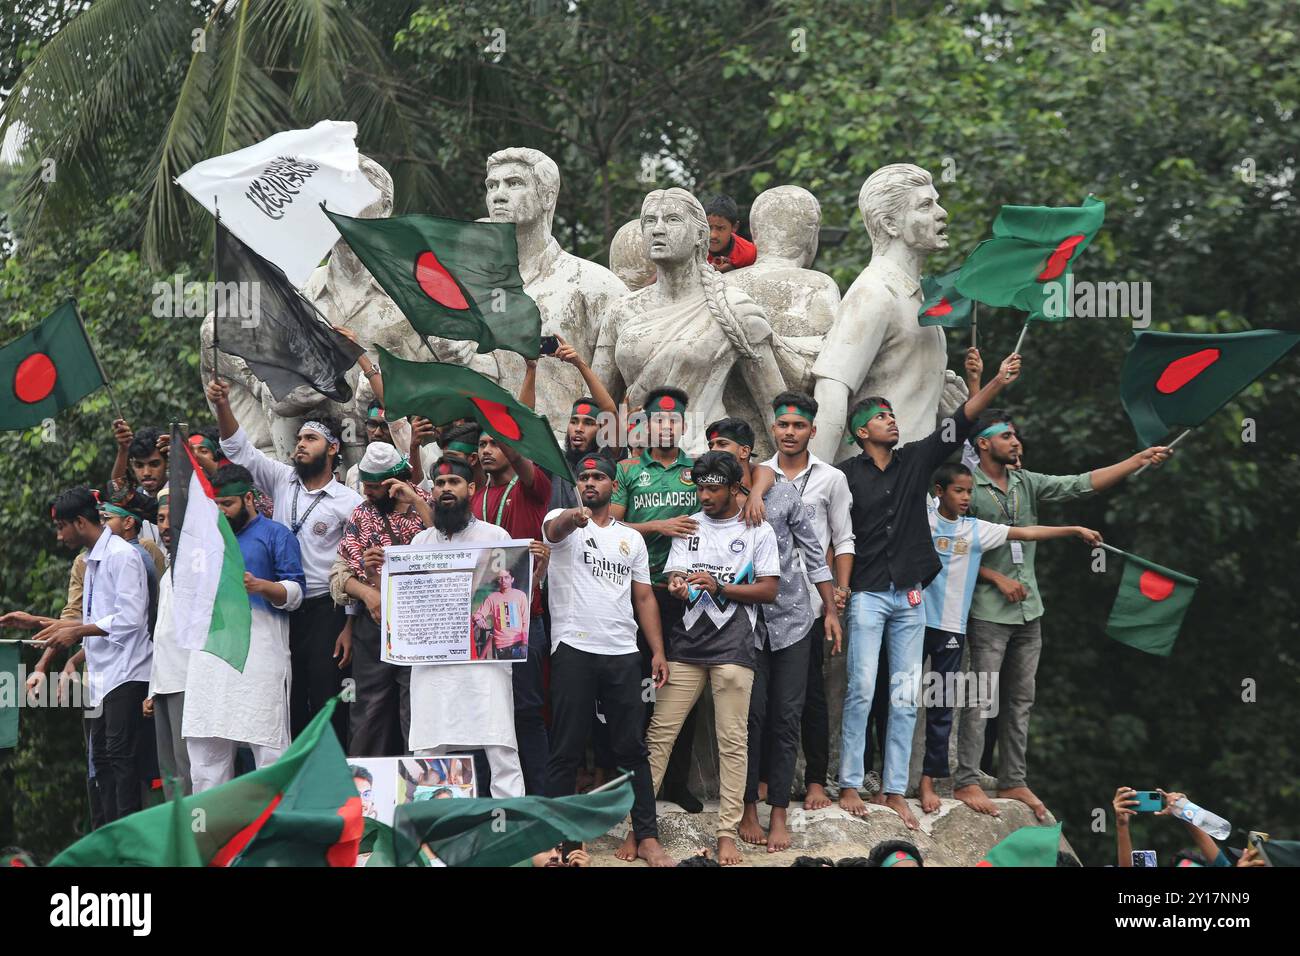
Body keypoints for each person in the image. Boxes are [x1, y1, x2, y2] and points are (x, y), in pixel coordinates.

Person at [953, 411, 1173, 821]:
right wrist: (994, 576)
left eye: (1016, 435)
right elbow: (951, 544)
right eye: (1005, 435)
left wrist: (1137, 459)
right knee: (981, 697)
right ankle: (966, 778)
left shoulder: (1025, 482)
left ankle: (1013, 778)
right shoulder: (968, 488)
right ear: (983, 444)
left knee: (1021, 699)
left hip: (1029, 610)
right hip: (986, 611)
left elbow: (1081, 484)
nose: (1015, 441)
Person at [836, 350, 1023, 829]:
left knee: (904, 695)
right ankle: (852, 784)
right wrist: (836, 592)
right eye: (880, 418)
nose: (891, 422)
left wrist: (997, 382)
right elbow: (836, 537)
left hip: (911, 595)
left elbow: (960, 421)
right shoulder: (845, 476)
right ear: (861, 432)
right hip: (868, 594)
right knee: (861, 688)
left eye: (892, 415)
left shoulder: (915, 461)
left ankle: (896, 789)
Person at [918, 463, 1100, 813]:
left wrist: (1073, 529)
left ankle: (936, 781)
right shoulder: (923, 516)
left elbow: (1028, 533)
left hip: (953, 626)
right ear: (939, 491)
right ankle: (893, 782)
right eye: (959, 490)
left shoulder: (975, 528)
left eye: (970, 491)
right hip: (913, 621)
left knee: (941, 704)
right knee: (903, 696)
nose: (967, 497)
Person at [704, 418, 841, 853]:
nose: (717, 450)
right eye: (711, 445)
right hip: (743, 626)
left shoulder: (782, 496)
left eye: (724, 444)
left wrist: (831, 611)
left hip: (793, 622)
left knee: (786, 717)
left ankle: (778, 812)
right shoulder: (715, 500)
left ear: (745, 452)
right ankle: (747, 809)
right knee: (751, 718)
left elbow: (814, 556)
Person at [207, 377, 362, 746]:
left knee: (329, 699)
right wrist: (223, 405)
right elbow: (239, 449)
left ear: (333, 448)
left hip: (328, 611)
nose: (300, 447)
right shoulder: (281, 479)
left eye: (311, 440)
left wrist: (349, 626)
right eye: (299, 440)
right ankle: (292, 784)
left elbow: (353, 564)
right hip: (280, 607)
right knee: (287, 697)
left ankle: (334, 784)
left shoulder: (348, 501)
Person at [541, 453, 675, 867]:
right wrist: (572, 519)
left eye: (599, 477)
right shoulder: (564, 522)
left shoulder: (630, 539)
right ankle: (563, 840)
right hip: (574, 648)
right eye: (584, 477)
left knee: (631, 748)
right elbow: (552, 530)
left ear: (613, 486)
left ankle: (648, 838)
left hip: (622, 651)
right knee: (566, 748)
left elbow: (644, 596)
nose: (591, 482)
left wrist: (657, 650)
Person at [649, 450, 780, 865]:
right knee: (658, 736)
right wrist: (676, 584)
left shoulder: (757, 529)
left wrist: (719, 587)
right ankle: (643, 829)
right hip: (686, 647)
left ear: (734, 487)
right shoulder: (688, 526)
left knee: (732, 742)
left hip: (733, 649)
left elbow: (769, 590)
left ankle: (727, 833)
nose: (704, 495)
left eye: (713, 488)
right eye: (700, 487)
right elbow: (676, 575)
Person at [371, 458, 524, 797]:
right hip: (433, 664)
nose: (445, 489)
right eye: (439, 484)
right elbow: (407, 609)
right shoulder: (419, 545)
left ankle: (510, 825)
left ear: (471, 489)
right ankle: (431, 827)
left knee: (499, 744)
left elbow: (509, 599)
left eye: (454, 482)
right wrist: (377, 574)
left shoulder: (495, 537)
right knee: (428, 742)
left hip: (484, 664)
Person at [756, 390, 855, 811]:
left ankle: (816, 780)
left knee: (811, 696)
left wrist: (838, 596)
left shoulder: (831, 478)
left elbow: (842, 538)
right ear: (773, 428)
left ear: (813, 431)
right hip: (763, 604)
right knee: (762, 699)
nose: (790, 432)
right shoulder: (757, 475)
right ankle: (761, 780)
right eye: (783, 425)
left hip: (814, 604)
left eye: (799, 426)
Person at [183, 465, 307, 791]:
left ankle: (273, 829)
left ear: (249, 497)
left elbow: (296, 594)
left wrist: (261, 586)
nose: (221, 513)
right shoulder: (205, 541)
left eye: (228, 504)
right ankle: (208, 835)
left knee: (268, 744)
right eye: (216, 505)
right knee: (206, 748)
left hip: (260, 654)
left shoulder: (276, 535)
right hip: (209, 656)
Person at [610, 386, 703, 812]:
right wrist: (659, 526)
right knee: (638, 691)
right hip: (638, 592)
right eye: (658, 419)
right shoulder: (628, 470)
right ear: (645, 425)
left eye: (674, 419)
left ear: (683, 425)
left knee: (683, 689)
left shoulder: (698, 470)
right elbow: (611, 524)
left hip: (689, 596)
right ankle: (632, 785)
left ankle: (676, 783)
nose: (666, 426)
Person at [33, 488, 152, 822]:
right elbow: (90, 618)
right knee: (99, 762)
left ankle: (126, 839)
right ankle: (107, 839)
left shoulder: (120, 555)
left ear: (81, 522)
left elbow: (130, 618)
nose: (59, 536)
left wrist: (77, 632)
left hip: (128, 672)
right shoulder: (91, 559)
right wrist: (49, 629)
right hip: (101, 675)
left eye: (61, 527)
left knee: (120, 758)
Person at [331, 442, 432, 756]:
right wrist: (368, 594)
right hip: (373, 626)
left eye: (376, 487)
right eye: (366, 485)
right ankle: (365, 790)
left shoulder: (427, 506)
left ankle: (420, 790)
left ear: (394, 482)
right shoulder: (361, 515)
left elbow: (448, 544)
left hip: (423, 628)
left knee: (416, 708)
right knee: (368, 709)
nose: (369, 492)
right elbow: (339, 574)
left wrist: (414, 499)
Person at [473, 431, 553, 792]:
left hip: (524, 622)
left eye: (495, 443)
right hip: (481, 626)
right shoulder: (474, 499)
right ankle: (486, 800)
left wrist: (503, 424)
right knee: (481, 714)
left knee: (527, 712)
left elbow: (521, 460)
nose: (488, 450)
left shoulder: (531, 489)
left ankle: (538, 800)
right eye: (482, 445)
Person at [143, 485, 192, 798]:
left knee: (187, 769)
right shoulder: (168, 571)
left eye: (170, 518)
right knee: (169, 770)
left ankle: (194, 839)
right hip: (163, 683)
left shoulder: (199, 566)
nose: (163, 525)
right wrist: (151, 689)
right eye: (159, 518)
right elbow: (161, 635)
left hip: (188, 682)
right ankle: (177, 840)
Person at [474, 569, 530, 660]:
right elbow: (478, 614)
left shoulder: (521, 595)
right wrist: (478, 619)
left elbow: (525, 620)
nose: (503, 581)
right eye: (500, 578)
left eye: (506, 577)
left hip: (518, 643)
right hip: (501, 646)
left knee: (520, 672)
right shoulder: (492, 598)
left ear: (512, 579)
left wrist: (524, 643)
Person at [704, 194, 757, 273]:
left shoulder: (748, 253)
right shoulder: (693, 250)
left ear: (734, 227)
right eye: (708, 227)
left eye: (720, 228)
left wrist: (734, 271)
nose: (713, 235)